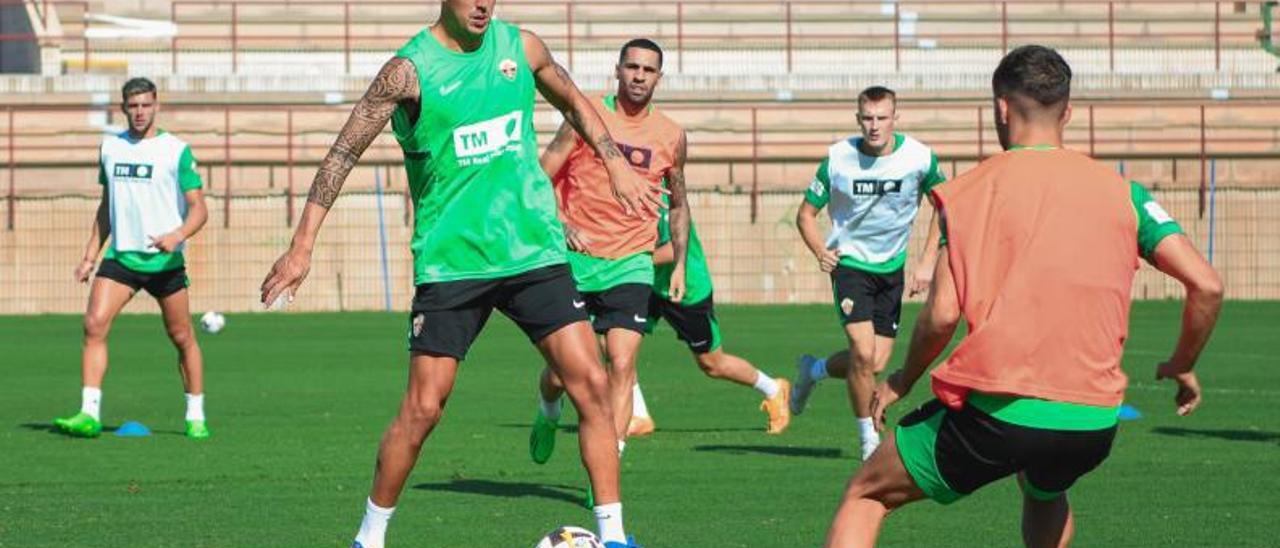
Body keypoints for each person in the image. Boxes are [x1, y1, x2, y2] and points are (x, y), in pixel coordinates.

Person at [258, 2, 663, 546]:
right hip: (454, 262)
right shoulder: (407, 71)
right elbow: (341, 154)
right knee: (424, 408)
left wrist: (611, 157)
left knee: (591, 384)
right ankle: (369, 537)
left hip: (531, 252)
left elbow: (574, 99)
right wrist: (301, 245)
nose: (482, 5)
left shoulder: (521, 47)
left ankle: (614, 537)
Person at [823, 45, 1224, 547]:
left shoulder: (968, 194)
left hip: (1001, 414)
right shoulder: (1126, 193)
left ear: (1001, 109)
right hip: (1093, 421)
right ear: (1069, 112)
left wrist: (903, 379)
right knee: (1043, 490)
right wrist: (1183, 363)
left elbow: (942, 315)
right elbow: (1207, 285)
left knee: (866, 493)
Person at [527, 38, 692, 471]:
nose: (639, 76)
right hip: (576, 261)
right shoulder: (586, 116)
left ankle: (609, 465)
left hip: (631, 262)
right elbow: (539, 176)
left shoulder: (672, 136)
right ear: (617, 70)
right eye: (632, 67)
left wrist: (679, 263)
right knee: (565, 374)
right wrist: (561, 226)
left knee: (621, 364)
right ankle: (547, 410)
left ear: (660, 77)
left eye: (648, 69)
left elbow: (678, 203)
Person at [791, 86, 946, 460]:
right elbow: (805, 214)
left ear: (896, 117)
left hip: (891, 270)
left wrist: (926, 262)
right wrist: (819, 251)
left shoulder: (919, 158)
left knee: (873, 363)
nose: (874, 126)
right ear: (858, 119)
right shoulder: (838, 158)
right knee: (862, 352)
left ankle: (814, 370)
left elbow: (946, 208)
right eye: (868, 118)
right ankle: (868, 441)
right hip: (850, 266)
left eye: (882, 118)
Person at [54, 77, 210, 440]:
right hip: (121, 259)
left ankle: (195, 414)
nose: (140, 112)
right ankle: (88, 414)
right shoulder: (111, 148)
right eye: (133, 105)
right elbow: (106, 206)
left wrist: (178, 236)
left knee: (182, 335)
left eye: (146, 105)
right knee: (93, 324)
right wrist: (90, 255)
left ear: (156, 105)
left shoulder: (176, 151)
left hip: (164, 262)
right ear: (123, 108)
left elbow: (199, 209)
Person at [627, 197, 792, 437]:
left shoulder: (664, 197)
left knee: (712, 364)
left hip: (686, 290)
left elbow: (674, 248)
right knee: (618, 344)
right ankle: (638, 415)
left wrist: (625, 259)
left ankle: (773, 389)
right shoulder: (630, 191)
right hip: (649, 284)